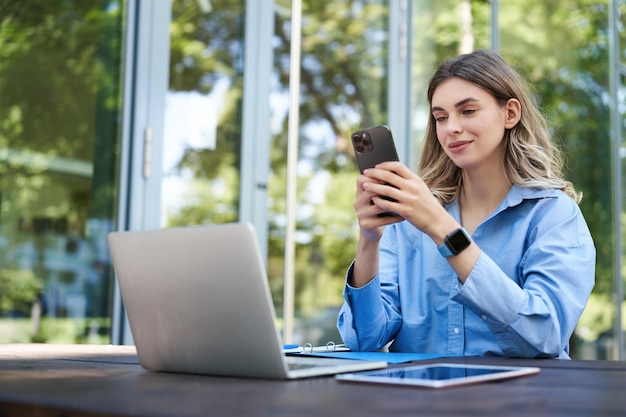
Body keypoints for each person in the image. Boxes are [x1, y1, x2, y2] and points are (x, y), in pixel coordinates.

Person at [337, 49, 596, 359]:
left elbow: (545, 335)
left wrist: (443, 229)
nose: (451, 128)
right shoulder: (407, 221)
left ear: (510, 113)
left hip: (521, 402)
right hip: (423, 403)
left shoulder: (554, 214)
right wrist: (369, 240)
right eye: (441, 117)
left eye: (468, 111)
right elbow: (365, 339)